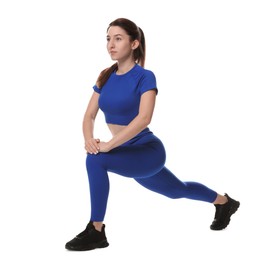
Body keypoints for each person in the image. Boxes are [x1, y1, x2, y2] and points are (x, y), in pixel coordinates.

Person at [65, 17, 240, 251]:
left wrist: (107, 146)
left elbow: (144, 118)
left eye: (118, 38)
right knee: (177, 190)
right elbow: (89, 116)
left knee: (96, 160)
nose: (111, 45)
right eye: (108, 39)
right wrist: (89, 139)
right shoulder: (105, 76)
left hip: (147, 152)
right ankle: (224, 203)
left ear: (134, 43)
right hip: (126, 151)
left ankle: (96, 230)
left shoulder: (145, 77)